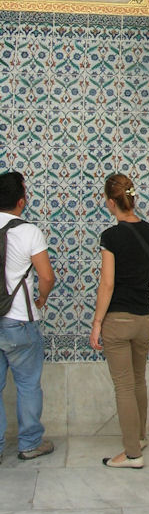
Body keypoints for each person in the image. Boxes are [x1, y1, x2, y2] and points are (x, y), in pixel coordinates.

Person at [89, 173, 149, 469]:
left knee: (123, 386)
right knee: (138, 381)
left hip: (118, 321)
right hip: (144, 320)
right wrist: (141, 267)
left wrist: (97, 322)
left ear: (112, 202)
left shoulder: (111, 237)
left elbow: (107, 284)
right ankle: (139, 437)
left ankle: (132, 454)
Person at [0, 171, 56, 462]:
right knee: (28, 384)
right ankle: (30, 443)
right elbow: (46, 276)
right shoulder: (28, 231)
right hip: (19, 319)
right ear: (21, 201)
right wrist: (42, 298)